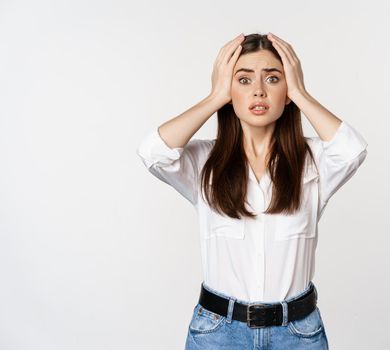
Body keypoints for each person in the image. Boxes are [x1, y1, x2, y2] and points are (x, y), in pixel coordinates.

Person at [136, 32, 368, 350]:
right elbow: (153, 152)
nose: (258, 90)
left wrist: (300, 92)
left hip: (297, 334)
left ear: (286, 91)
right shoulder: (205, 161)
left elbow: (353, 151)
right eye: (243, 80)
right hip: (218, 333)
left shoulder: (314, 162)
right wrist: (215, 96)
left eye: (273, 78)